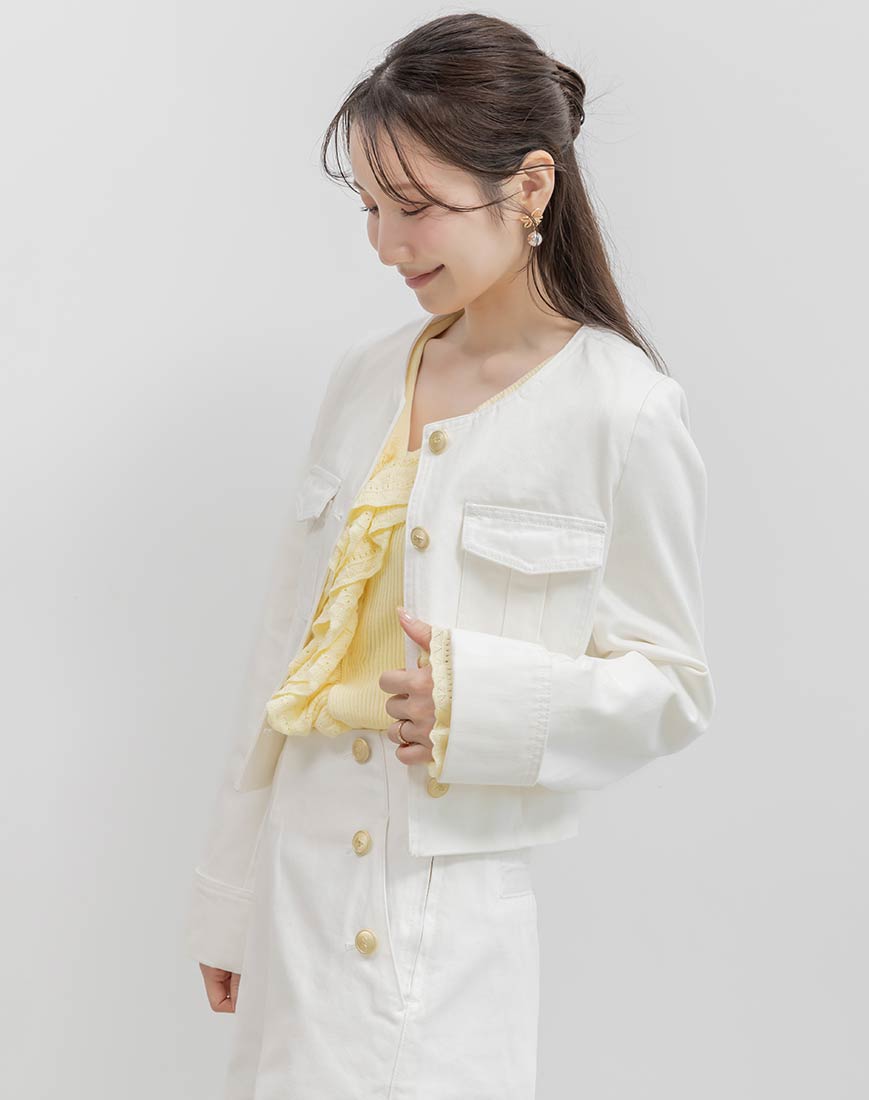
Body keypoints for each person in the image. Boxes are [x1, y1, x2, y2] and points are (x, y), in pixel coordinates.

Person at [186, 12, 716, 1099]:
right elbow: (280, 653)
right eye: (370, 206)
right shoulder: (363, 378)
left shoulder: (621, 410)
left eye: (414, 205)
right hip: (294, 886)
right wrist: (227, 898)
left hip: (441, 921)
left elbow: (672, 688)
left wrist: (483, 704)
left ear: (528, 187)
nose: (385, 243)